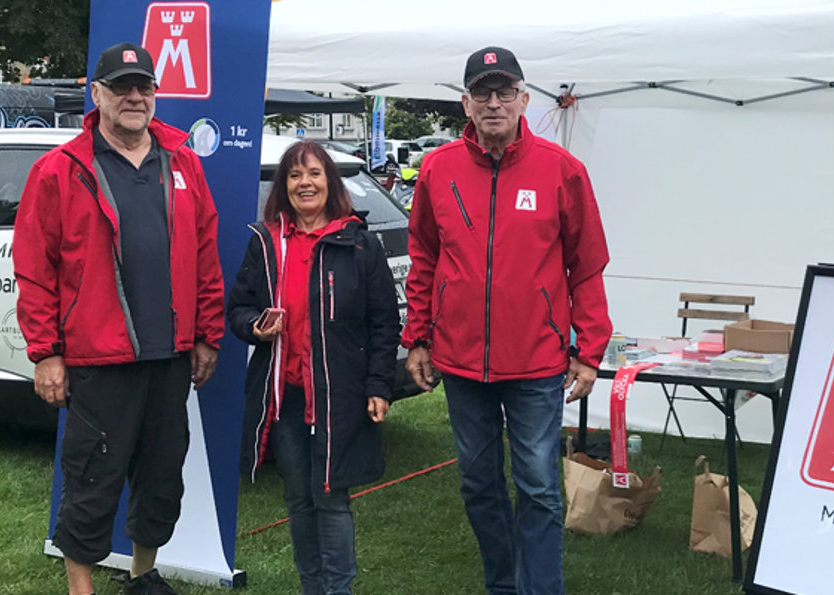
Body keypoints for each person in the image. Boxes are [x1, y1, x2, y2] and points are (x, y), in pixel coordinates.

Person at [13, 42, 225, 595]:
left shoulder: (182, 164)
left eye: (144, 86)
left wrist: (207, 335)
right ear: (98, 94)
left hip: (170, 354)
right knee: (92, 479)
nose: (135, 97)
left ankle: (141, 576)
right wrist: (46, 353)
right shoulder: (59, 171)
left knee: (160, 480)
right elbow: (34, 270)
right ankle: (81, 586)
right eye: (122, 87)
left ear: (155, 94)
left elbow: (205, 254)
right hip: (97, 358)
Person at [402, 46, 612, 595]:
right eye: (481, 93)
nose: (493, 103)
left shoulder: (562, 171)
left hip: (537, 363)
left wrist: (589, 350)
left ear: (523, 99)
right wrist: (418, 336)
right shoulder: (437, 169)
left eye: (504, 92)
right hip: (462, 362)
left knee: (539, 486)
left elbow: (586, 265)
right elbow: (424, 256)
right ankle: (503, 584)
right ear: (465, 104)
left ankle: (539, 589)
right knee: (479, 485)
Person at [227, 141, 400, 595]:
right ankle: (312, 586)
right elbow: (238, 309)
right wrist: (255, 327)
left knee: (331, 495)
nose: (305, 183)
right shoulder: (265, 243)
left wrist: (379, 385)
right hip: (285, 395)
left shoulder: (359, 244)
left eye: (315, 174)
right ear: (283, 187)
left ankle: (337, 589)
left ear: (330, 182)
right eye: (295, 175)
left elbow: (385, 322)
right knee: (298, 499)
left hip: (338, 394)